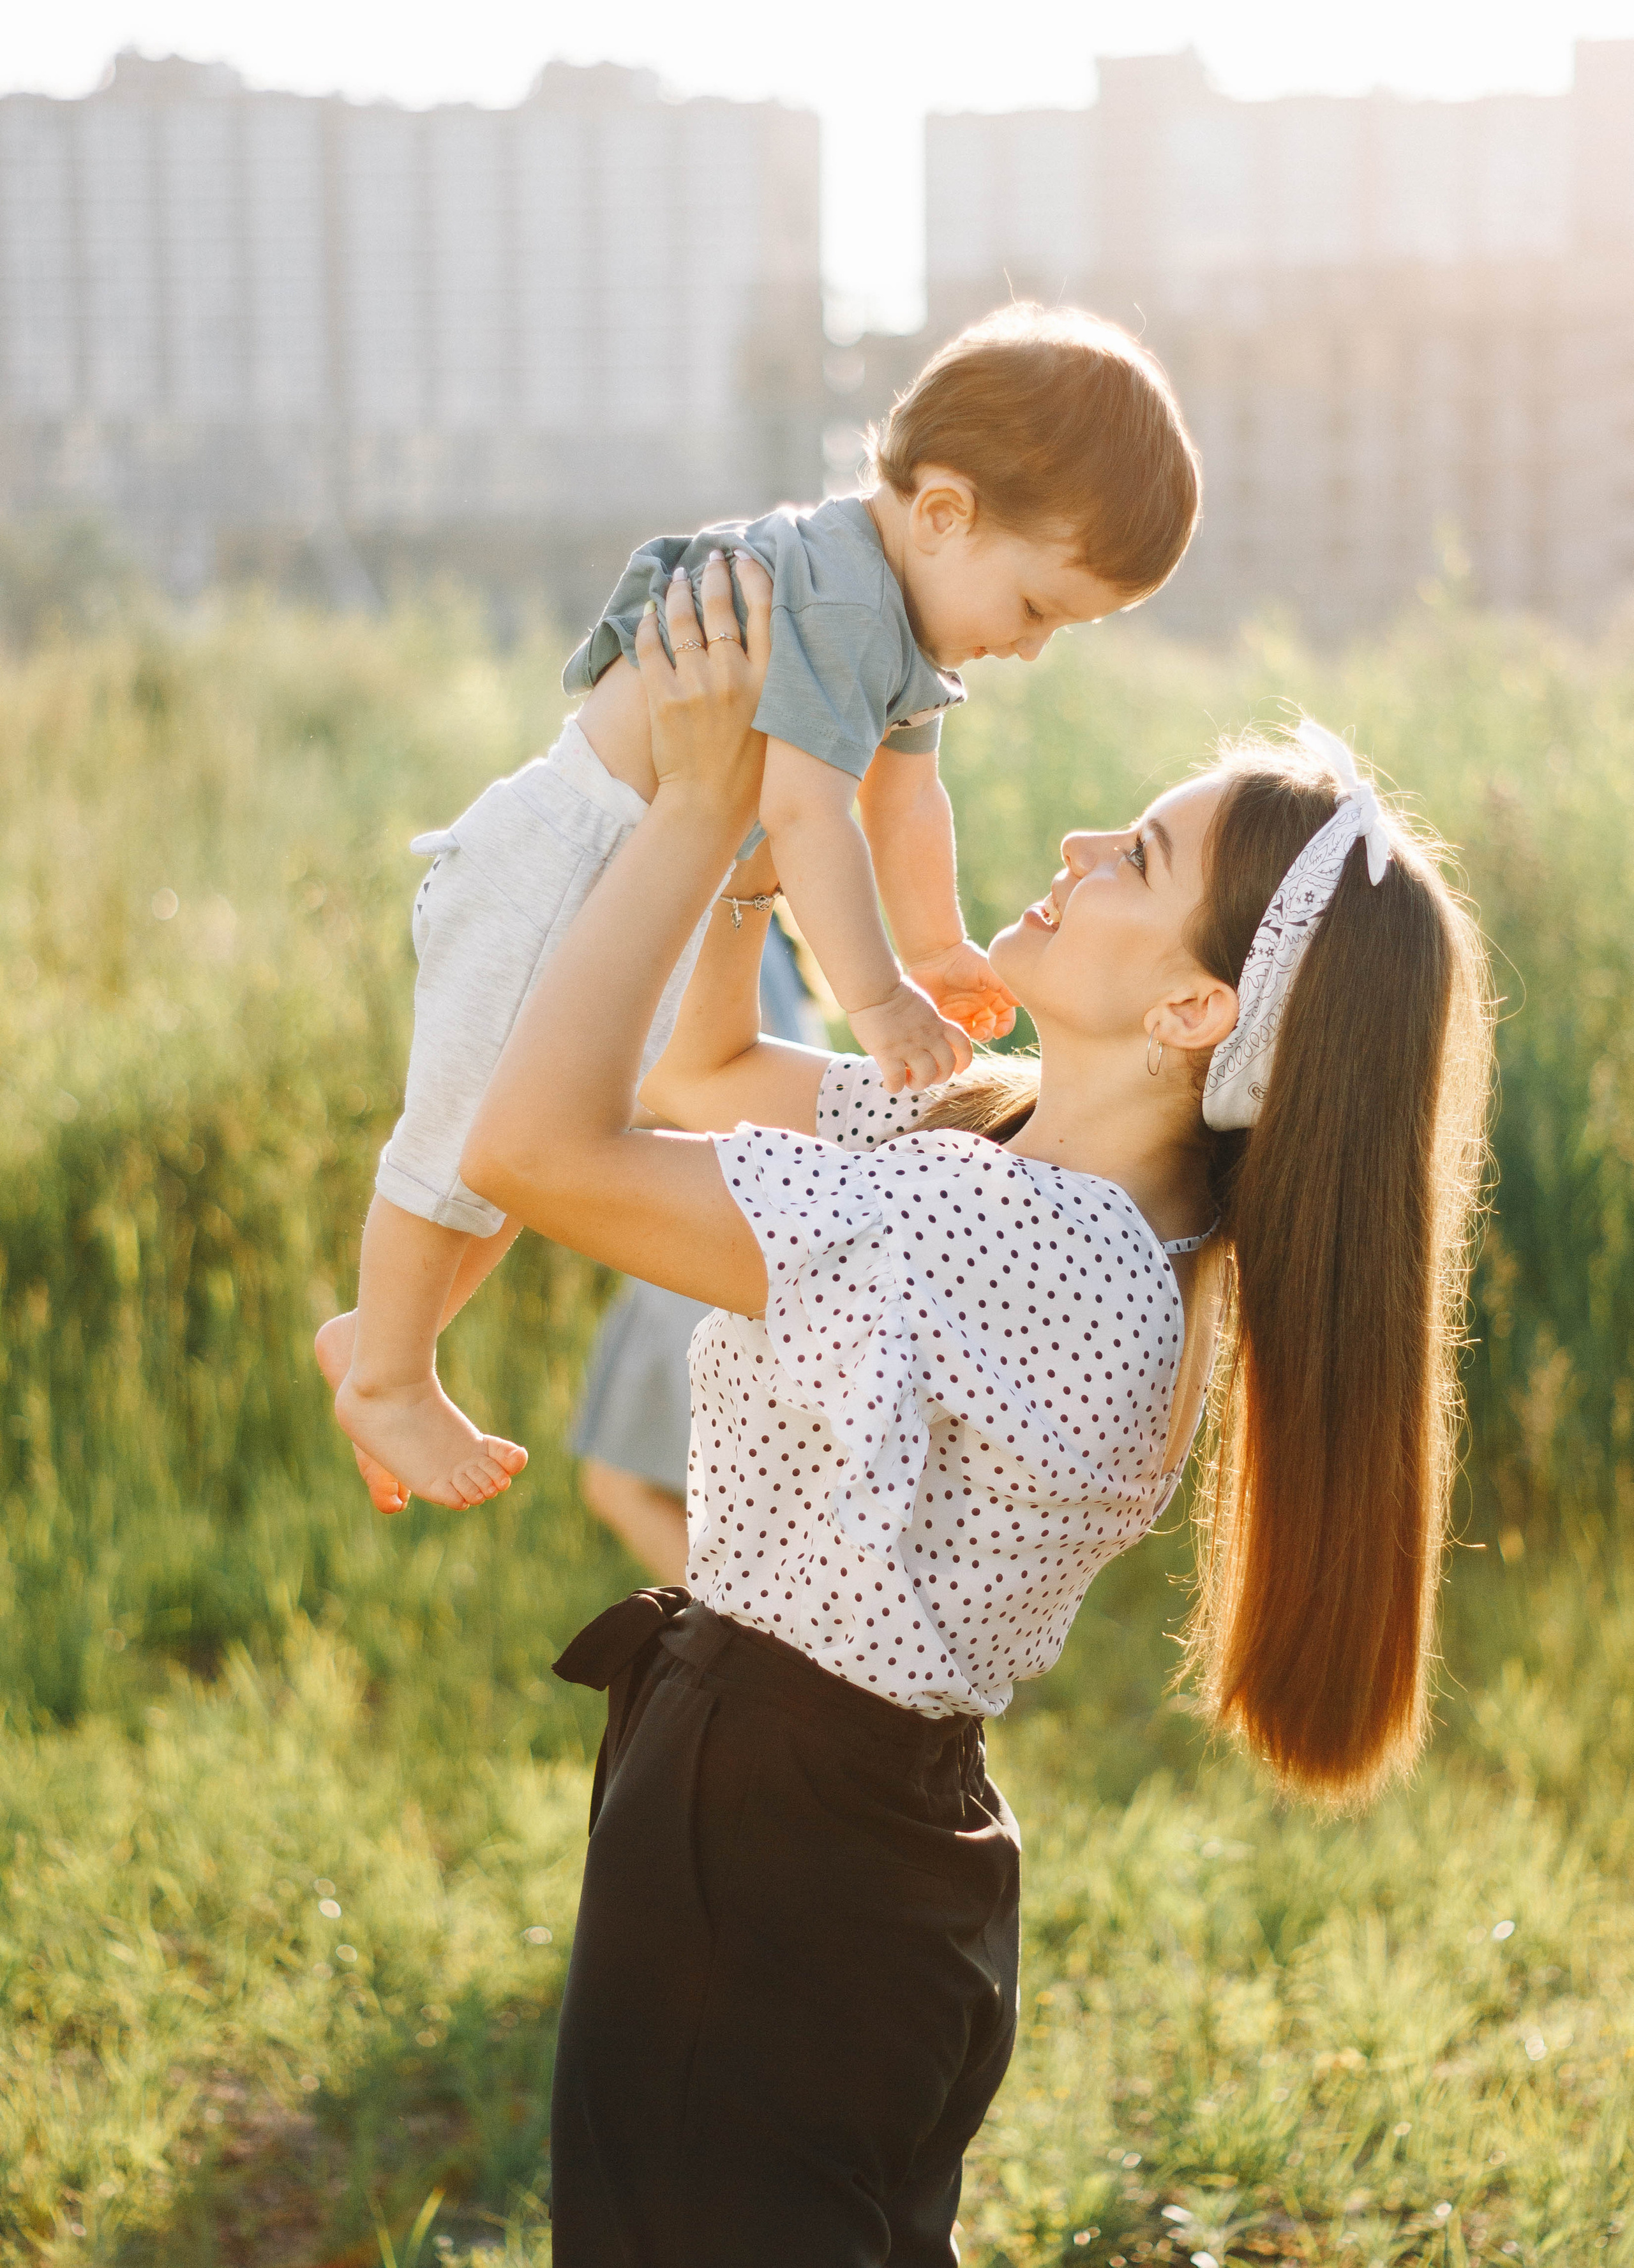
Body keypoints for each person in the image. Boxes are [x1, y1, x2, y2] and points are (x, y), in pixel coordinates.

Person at [428, 555, 1491, 2267]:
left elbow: (531, 1150)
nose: (1078, 847)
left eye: (1135, 859)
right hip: (818, 1837)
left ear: (1193, 1010)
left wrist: (695, 813)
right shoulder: (1010, 1147)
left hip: (783, 1866)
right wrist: (765, 863)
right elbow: (705, 1081)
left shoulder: (1028, 1246)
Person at [314, 304, 1203, 1514]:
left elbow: (907, 803)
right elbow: (807, 817)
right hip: (555, 856)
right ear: (945, 514)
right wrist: (879, 997)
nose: (1034, 648)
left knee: (521, 1149)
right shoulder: (841, 603)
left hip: (632, 880)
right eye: (1041, 609)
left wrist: (937, 943)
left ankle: (380, 1337)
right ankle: (388, 1380)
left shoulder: (897, 622)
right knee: (466, 1128)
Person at [573, 920, 827, 1581]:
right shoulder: (755, 924)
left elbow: (727, 1098)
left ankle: (761, 1650)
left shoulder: (715, 920)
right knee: (657, 1491)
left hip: (701, 1244)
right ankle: (762, 1648)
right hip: (721, 1236)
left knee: (623, 1485)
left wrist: (565, 1100)